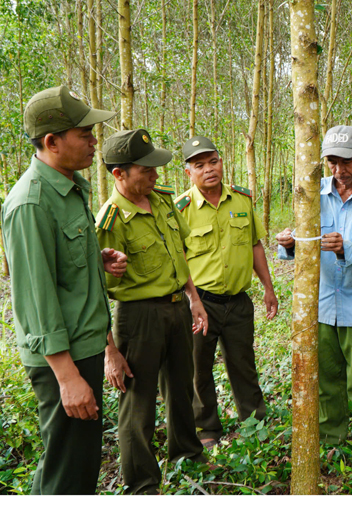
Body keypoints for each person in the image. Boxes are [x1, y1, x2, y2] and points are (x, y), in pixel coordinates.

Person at [2, 85, 125, 494]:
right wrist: (67, 377)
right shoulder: (31, 203)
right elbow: (35, 299)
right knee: (67, 476)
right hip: (64, 358)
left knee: (76, 463)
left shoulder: (70, 189)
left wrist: (96, 261)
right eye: (85, 134)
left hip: (85, 347)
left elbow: (60, 270)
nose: (94, 142)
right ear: (52, 142)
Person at [95, 128, 209, 495]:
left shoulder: (161, 201)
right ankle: (143, 484)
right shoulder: (110, 221)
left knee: (181, 389)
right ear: (119, 174)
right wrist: (110, 350)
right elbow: (95, 291)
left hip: (177, 309)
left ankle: (188, 455)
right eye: (146, 170)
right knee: (138, 404)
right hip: (138, 318)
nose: (156, 175)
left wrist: (193, 297)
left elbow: (179, 255)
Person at [276, 125, 352, 452]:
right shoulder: (313, 192)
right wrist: (288, 243)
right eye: (332, 162)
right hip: (322, 304)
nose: (339, 171)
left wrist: (346, 248)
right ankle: (332, 441)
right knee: (327, 382)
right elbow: (305, 242)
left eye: (346, 162)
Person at [174, 136, 277, 448]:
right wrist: (191, 300)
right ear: (187, 172)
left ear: (222, 162)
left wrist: (268, 289)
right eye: (199, 165)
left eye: (213, 161)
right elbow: (177, 259)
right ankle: (207, 430)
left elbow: (255, 245)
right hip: (200, 303)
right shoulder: (180, 208)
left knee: (243, 365)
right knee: (198, 368)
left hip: (238, 302)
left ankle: (254, 423)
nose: (209, 169)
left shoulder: (242, 200)